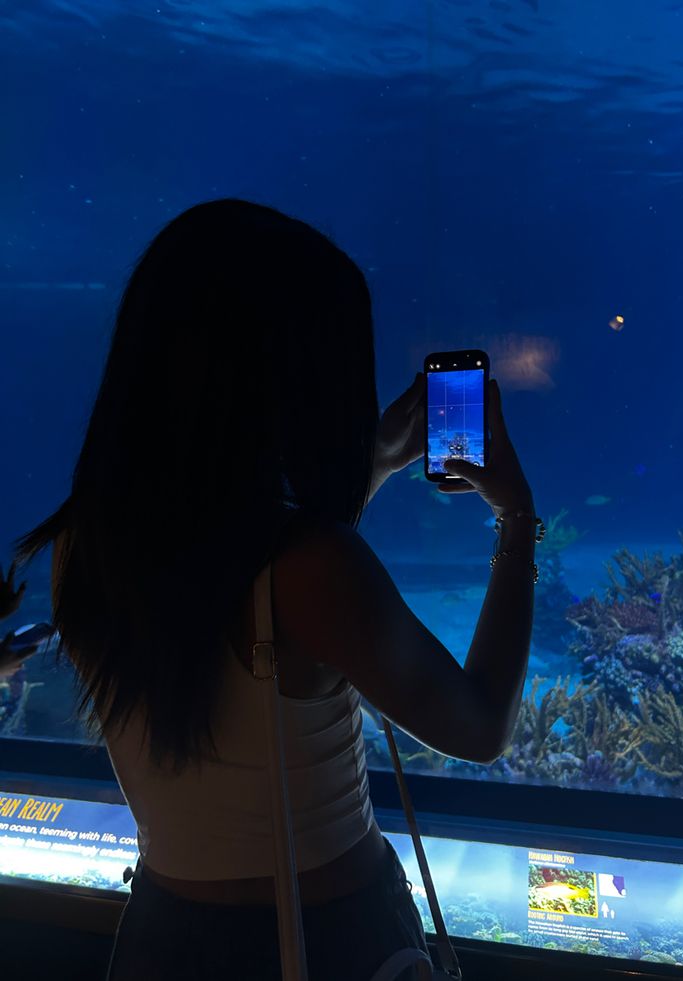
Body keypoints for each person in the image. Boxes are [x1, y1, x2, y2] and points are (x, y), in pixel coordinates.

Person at [11, 199, 537, 981]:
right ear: (285, 376)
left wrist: (370, 470)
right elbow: (481, 725)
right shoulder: (315, 569)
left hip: (162, 936)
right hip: (326, 940)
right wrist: (518, 519)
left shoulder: (83, 546)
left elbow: (234, 582)